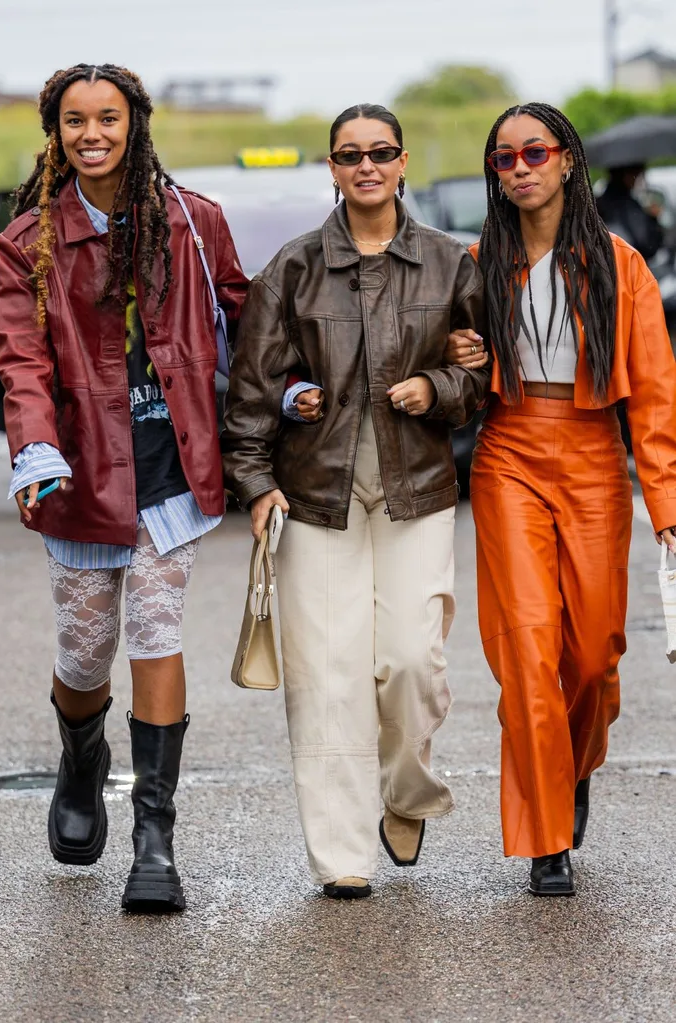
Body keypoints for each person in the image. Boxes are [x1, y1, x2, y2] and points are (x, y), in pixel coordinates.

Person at [0, 64, 248, 912]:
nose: (92, 133)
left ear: (135, 122)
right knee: (82, 655)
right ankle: (80, 755)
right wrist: (33, 450)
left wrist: (281, 392)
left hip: (172, 466)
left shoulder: (194, 221)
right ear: (56, 131)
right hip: (80, 473)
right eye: (75, 120)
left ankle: (154, 839)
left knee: (155, 630)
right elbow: (22, 361)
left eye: (108, 117)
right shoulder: (25, 240)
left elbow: (245, 319)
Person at [222, 104, 490, 899]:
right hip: (314, 496)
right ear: (332, 169)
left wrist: (437, 385)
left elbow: (478, 379)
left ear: (403, 162)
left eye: (380, 152)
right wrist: (257, 483)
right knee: (327, 677)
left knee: (412, 660)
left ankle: (406, 791)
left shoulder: (450, 264)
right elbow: (249, 392)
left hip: (417, 490)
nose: (366, 165)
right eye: (350, 155)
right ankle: (342, 852)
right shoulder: (292, 270)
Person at [445, 102, 676, 896]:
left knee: (595, 651)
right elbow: (454, 377)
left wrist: (669, 506)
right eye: (503, 159)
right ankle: (546, 837)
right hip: (509, 449)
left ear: (567, 159)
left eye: (533, 152)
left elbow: (652, 389)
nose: (520, 169)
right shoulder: (477, 263)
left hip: (592, 456)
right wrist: (461, 355)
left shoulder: (621, 263)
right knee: (531, 646)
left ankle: (573, 769)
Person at [596, 164, 664, 262]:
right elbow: (646, 245)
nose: (636, 180)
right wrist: (653, 219)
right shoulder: (627, 205)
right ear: (626, 175)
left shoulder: (599, 202)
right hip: (629, 267)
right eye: (636, 174)